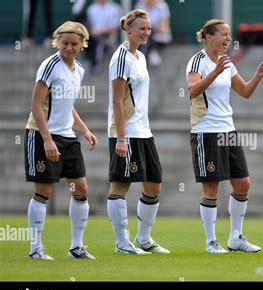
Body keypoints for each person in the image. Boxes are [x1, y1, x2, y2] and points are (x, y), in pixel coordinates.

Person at [186, 19, 263, 253]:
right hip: (206, 131)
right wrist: (215, 72)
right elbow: (193, 90)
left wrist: (257, 75)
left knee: (243, 183)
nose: (228, 38)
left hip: (228, 130)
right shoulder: (198, 61)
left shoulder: (228, 64)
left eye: (229, 34)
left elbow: (244, 91)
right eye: (224, 34)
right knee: (211, 188)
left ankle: (235, 238)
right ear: (209, 36)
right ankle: (210, 242)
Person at [24, 21, 97, 260]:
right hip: (42, 135)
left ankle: (76, 247)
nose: (68, 47)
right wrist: (47, 140)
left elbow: (68, 105)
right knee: (44, 190)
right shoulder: (49, 66)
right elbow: (36, 105)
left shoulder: (79, 70)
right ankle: (35, 248)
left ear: (82, 45)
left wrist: (85, 130)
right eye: (64, 43)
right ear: (57, 42)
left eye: (74, 44)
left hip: (67, 137)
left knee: (81, 189)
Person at [107, 9, 169, 255]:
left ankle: (144, 239)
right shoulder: (120, 58)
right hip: (127, 132)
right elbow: (116, 101)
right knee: (120, 185)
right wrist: (121, 138)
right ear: (128, 29)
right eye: (141, 28)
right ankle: (122, 242)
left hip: (144, 131)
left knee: (154, 185)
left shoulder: (141, 57)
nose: (146, 32)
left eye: (149, 28)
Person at [86, 0, 122, 74]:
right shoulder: (91, 9)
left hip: (110, 37)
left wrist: (99, 32)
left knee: (99, 42)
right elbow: (90, 27)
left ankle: (96, 65)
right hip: (94, 36)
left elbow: (113, 30)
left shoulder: (115, 8)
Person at [135, 0, 172, 66]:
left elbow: (162, 27)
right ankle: (153, 53)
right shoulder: (140, 5)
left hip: (159, 37)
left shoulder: (162, 6)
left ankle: (151, 54)